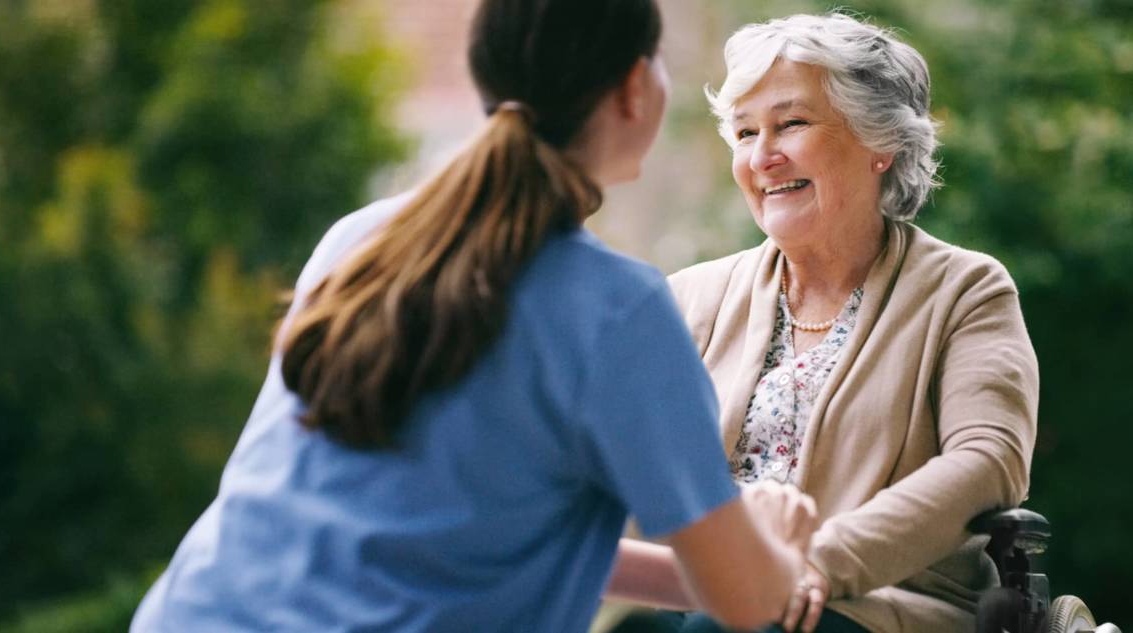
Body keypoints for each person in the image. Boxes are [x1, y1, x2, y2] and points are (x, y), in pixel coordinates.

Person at [130, 1, 819, 632]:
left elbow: (476, 535)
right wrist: (775, 540)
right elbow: (748, 602)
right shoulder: (618, 311)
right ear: (635, 88)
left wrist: (709, 570)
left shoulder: (360, 239)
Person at [659, 12, 1039, 633]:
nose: (762, 157)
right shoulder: (687, 297)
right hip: (693, 595)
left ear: (881, 143)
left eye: (791, 124)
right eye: (745, 131)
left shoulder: (965, 290)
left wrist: (818, 563)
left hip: (881, 605)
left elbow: (988, 460)